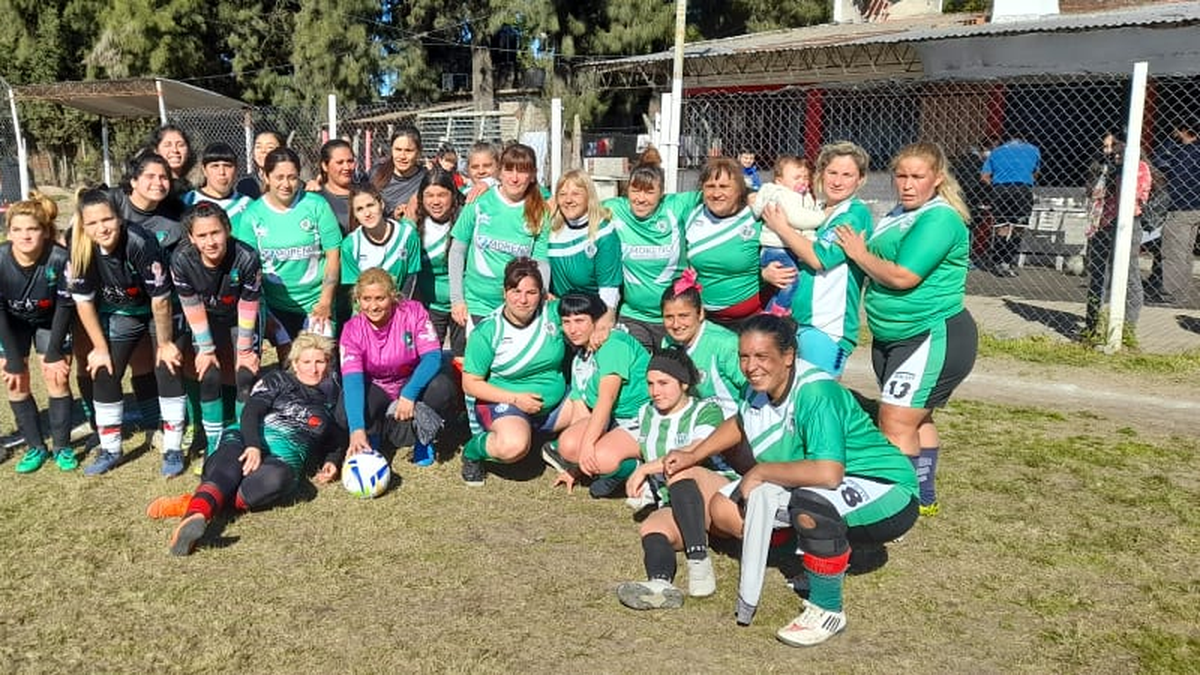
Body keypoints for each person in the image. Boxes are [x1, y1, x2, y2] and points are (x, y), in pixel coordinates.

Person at [663, 314, 919, 645]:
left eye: (761, 357)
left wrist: (761, 471)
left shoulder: (816, 392)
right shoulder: (756, 387)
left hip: (886, 488)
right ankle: (816, 553)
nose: (750, 366)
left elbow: (829, 472)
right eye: (744, 356)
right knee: (723, 510)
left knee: (810, 505)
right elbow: (740, 422)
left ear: (788, 356)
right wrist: (693, 455)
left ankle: (827, 609)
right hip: (823, 482)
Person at [835, 141, 978, 517]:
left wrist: (860, 254)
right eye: (901, 175)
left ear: (937, 179)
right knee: (918, 417)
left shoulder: (940, 218)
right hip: (893, 336)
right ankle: (923, 496)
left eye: (918, 176)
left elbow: (904, 276)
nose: (908, 184)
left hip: (931, 334)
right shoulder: (899, 213)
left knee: (896, 421)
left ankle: (894, 507)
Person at [149, 333, 346, 556]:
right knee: (230, 466)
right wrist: (252, 445)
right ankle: (196, 516)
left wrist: (332, 461)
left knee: (275, 480)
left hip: (283, 459)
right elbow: (252, 411)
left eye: (320, 362)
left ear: (328, 364)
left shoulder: (333, 398)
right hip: (246, 438)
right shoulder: (278, 379)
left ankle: (196, 503)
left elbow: (336, 438)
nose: (314, 369)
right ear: (295, 363)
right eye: (307, 362)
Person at [67, 189, 188, 477]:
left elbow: (159, 300)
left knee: (167, 366)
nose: (102, 228)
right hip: (123, 312)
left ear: (119, 218)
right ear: (83, 225)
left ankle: (173, 447)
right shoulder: (78, 245)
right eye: (93, 223)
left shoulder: (139, 242)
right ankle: (110, 447)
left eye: (107, 219)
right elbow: (83, 302)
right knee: (104, 369)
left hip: (161, 309)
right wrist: (99, 347)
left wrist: (166, 342)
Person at [615, 348, 734, 610]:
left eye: (664, 383)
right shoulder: (646, 413)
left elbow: (689, 454)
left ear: (684, 383)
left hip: (719, 496)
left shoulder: (706, 410)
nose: (655, 391)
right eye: (650, 383)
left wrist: (644, 469)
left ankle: (699, 562)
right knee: (651, 528)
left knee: (681, 469)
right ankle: (660, 585)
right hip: (679, 506)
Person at [760, 141, 873, 377]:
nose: (837, 181)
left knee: (818, 395)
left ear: (860, 179)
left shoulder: (854, 214)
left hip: (827, 329)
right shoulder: (813, 208)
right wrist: (766, 272)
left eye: (847, 175)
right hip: (793, 321)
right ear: (820, 174)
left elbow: (818, 258)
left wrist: (782, 228)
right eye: (832, 172)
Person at [459, 259, 566, 486]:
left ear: (543, 294)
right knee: (513, 446)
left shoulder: (554, 313)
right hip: (506, 402)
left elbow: (594, 311)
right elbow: (471, 384)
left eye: (531, 292)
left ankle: (554, 448)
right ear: (504, 292)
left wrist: (602, 326)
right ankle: (472, 452)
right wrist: (516, 399)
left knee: (593, 413)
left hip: (554, 406)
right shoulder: (488, 331)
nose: (523, 299)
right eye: (516, 291)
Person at [170, 202, 262, 458]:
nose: (210, 241)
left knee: (245, 375)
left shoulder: (247, 257)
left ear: (228, 230)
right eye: (202, 235)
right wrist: (206, 349)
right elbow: (191, 305)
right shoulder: (181, 260)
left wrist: (244, 350)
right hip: (206, 318)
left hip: (240, 317)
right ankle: (214, 445)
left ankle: (244, 441)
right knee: (208, 373)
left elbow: (248, 304)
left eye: (215, 233)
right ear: (191, 238)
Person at [339, 268, 457, 467]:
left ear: (393, 297)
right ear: (358, 300)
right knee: (343, 410)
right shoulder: (352, 329)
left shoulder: (413, 312)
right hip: (378, 386)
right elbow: (352, 381)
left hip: (411, 381)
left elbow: (432, 357)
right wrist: (356, 428)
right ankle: (371, 434)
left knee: (442, 387)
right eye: (366, 299)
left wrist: (409, 393)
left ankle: (424, 436)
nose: (373, 306)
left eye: (380, 298)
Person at [541, 292, 650, 498]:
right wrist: (575, 466)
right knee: (568, 445)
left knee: (599, 457)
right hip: (612, 420)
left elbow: (606, 399)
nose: (572, 329)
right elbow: (581, 410)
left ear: (596, 321)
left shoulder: (613, 345)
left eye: (580, 320)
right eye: (566, 322)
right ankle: (610, 460)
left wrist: (589, 446)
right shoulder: (579, 358)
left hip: (640, 418)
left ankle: (634, 466)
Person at [235, 147, 342, 355]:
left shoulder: (316, 205)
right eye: (279, 177)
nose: (286, 184)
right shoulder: (252, 215)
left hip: (315, 303)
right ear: (266, 176)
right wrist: (262, 311)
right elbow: (248, 268)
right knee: (288, 369)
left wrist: (326, 301)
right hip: (275, 307)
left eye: (292, 177)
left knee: (317, 364)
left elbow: (333, 256)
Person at [0, 193, 77, 473]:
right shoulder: (0, 260)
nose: (25, 236)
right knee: (15, 381)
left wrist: (55, 351)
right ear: (8, 232)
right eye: (17, 230)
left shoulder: (59, 258)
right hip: (12, 323)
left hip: (51, 321)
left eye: (32, 229)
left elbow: (65, 307)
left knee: (56, 376)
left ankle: (62, 447)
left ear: (45, 232)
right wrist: (12, 358)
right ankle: (35, 447)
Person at [449, 143, 551, 326]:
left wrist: (539, 297)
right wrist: (457, 300)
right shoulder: (478, 200)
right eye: (509, 170)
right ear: (500, 172)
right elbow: (457, 250)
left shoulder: (540, 210)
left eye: (522, 171)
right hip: (476, 305)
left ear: (533, 175)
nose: (514, 178)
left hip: (517, 308)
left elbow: (541, 262)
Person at [604, 160, 701, 350]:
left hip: (675, 318)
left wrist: (755, 196)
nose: (640, 198)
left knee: (670, 374)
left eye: (649, 192)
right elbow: (578, 203)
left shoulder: (676, 206)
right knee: (634, 370)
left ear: (661, 193)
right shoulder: (615, 209)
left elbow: (718, 194)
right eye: (635, 190)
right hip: (633, 316)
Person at [1083, 132, 1151, 348]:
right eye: (1105, 147)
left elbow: (1136, 196)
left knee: (1129, 274)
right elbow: (1093, 193)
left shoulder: (1138, 167)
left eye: (1111, 147)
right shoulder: (1104, 168)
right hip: (1102, 224)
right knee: (1099, 275)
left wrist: (1118, 174)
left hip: (1128, 223)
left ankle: (1126, 330)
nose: (1108, 152)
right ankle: (1093, 325)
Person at [683, 156, 765, 325]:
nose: (716, 193)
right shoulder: (691, 211)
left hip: (752, 320)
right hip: (705, 320)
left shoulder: (757, 215)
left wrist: (767, 273)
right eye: (710, 186)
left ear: (740, 189)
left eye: (724, 186)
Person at [659, 273, 745, 417]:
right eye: (669, 317)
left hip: (731, 420)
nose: (676, 325)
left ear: (700, 314)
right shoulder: (667, 343)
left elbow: (751, 388)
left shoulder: (725, 344)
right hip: (693, 420)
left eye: (683, 316)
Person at [757, 154, 828, 315]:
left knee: (782, 286)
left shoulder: (803, 196)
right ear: (779, 181)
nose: (802, 181)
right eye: (796, 177)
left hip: (787, 249)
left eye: (805, 177)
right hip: (776, 249)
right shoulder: (782, 194)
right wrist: (823, 216)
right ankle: (778, 312)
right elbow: (798, 220)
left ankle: (769, 313)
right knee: (791, 281)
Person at [548, 170, 621, 319]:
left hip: (591, 316)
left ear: (589, 196)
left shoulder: (603, 233)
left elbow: (609, 288)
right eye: (562, 194)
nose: (568, 200)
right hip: (558, 314)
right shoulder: (551, 229)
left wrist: (604, 322)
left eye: (576, 194)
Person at [413, 167, 467, 355]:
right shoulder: (414, 225)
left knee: (462, 361)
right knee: (428, 359)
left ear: (453, 195)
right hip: (430, 307)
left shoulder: (465, 219)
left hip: (462, 304)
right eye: (429, 195)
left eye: (442, 195)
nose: (435, 201)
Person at [340, 182, 422, 296]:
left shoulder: (407, 234)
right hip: (368, 310)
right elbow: (356, 291)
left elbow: (412, 279)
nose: (367, 213)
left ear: (381, 204)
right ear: (355, 215)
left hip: (401, 307)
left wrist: (402, 311)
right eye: (360, 209)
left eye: (370, 205)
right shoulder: (349, 245)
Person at [1150, 122, 1200, 304]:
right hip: (1196, 208)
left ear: (1184, 130)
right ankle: (1181, 291)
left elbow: (1157, 160)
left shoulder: (1182, 153)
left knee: (1173, 252)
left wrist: (1171, 140)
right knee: (1185, 252)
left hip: (1181, 207)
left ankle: (1171, 295)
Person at [980, 134, 1040, 276]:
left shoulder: (996, 151)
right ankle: (1008, 262)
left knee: (1002, 227)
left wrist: (995, 185)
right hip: (1022, 189)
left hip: (1000, 189)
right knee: (1019, 227)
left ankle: (997, 261)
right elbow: (1035, 172)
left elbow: (984, 176)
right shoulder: (1033, 150)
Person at [183, 142, 253, 224]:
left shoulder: (247, 204)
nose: (222, 172)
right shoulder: (188, 200)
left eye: (227, 166)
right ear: (204, 170)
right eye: (215, 166)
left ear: (236, 169)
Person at [371, 126, 427, 220]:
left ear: (418, 152)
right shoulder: (376, 173)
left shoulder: (426, 179)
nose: (402, 156)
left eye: (408, 151)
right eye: (398, 149)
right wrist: (393, 216)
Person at [313, 139, 358, 234]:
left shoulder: (366, 193)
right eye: (340, 162)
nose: (347, 167)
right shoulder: (316, 199)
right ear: (325, 166)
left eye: (350, 161)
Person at [235, 130, 284, 200]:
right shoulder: (245, 183)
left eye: (270, 147)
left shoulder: (292, 183)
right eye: (258, 147)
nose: (263, 151)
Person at [150, 124, 196, 198]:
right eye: (167, 145)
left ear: (188, 151)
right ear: (156, 151)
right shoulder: (151, 187)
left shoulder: (194, 189)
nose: (175, 150)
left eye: (180, 145)